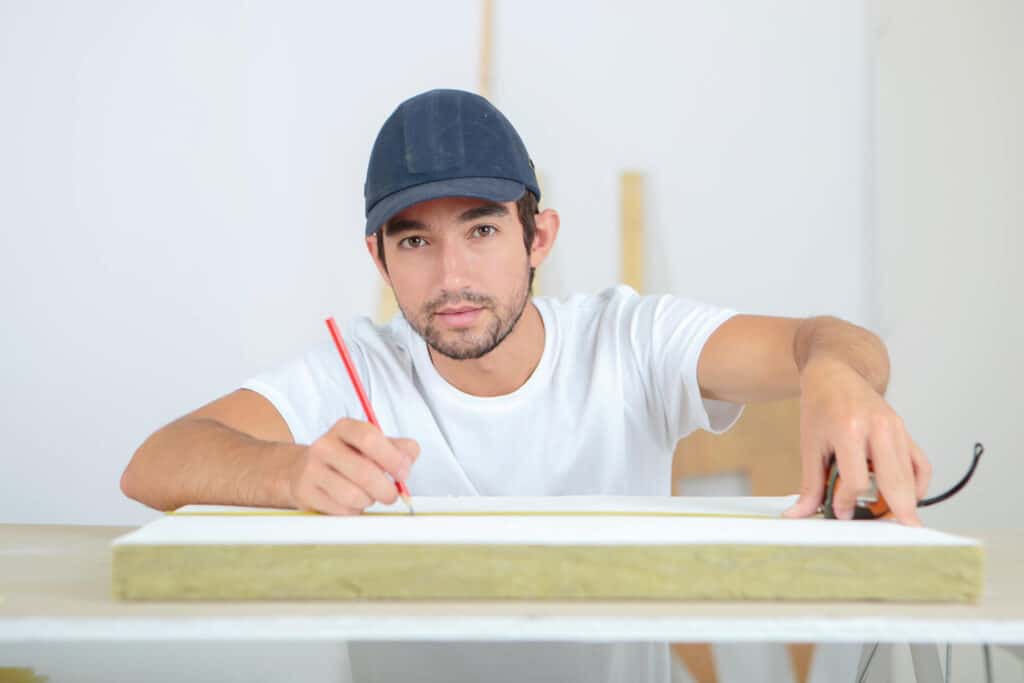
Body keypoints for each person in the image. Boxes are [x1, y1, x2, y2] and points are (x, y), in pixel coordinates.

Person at [121, 88, 931, 683]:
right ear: (379, 259)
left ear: (536, 234)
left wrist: (830, 371)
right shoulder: (353, 370)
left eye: (480, 229)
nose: (452, 277)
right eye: (414, 242)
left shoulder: (628, 342)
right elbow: (155, 462)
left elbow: (833, 343)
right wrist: (285, 472)